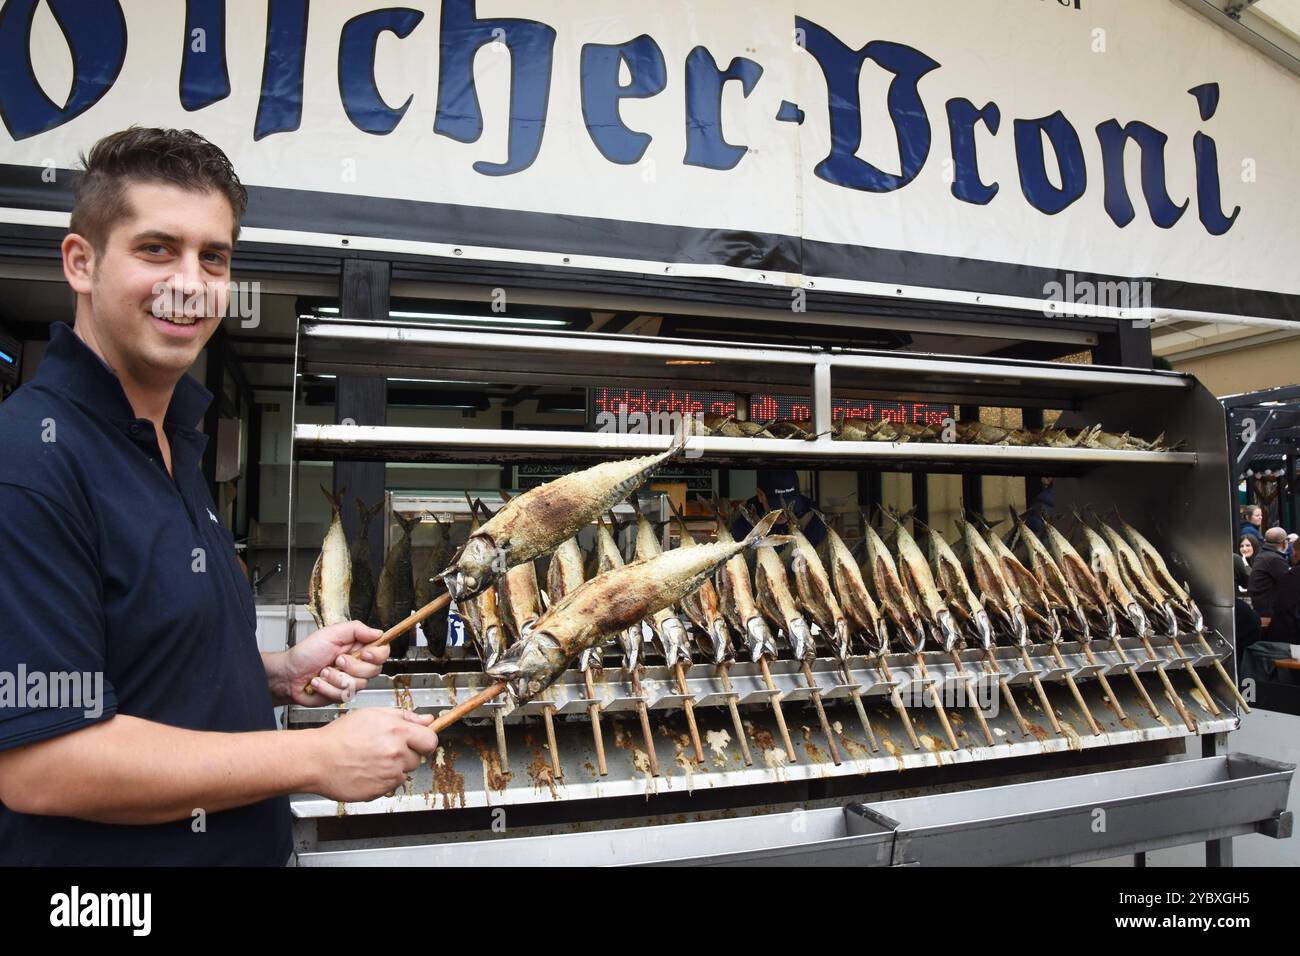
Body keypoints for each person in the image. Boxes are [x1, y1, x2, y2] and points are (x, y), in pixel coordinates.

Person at [0, 128, 439, 866]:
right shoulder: (30, 462)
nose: (189, 282)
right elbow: (42, 764)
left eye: (215, 257)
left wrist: (272, 672)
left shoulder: (175, 440)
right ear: (81, 263)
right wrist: (312, 760)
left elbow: (142, 666)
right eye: (156, 249)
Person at [731, 468, 827, 546]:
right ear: (760, 495)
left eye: (790, 506)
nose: (784, 514)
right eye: (777, 507)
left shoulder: (814, 516)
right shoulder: (743, 519)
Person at [1248, 527, 1291, 630]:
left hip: (1261, 610)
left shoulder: (1263, 555)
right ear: (1284, 543)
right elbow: (1291, 582)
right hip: (1269, 614)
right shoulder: (1274, 559)